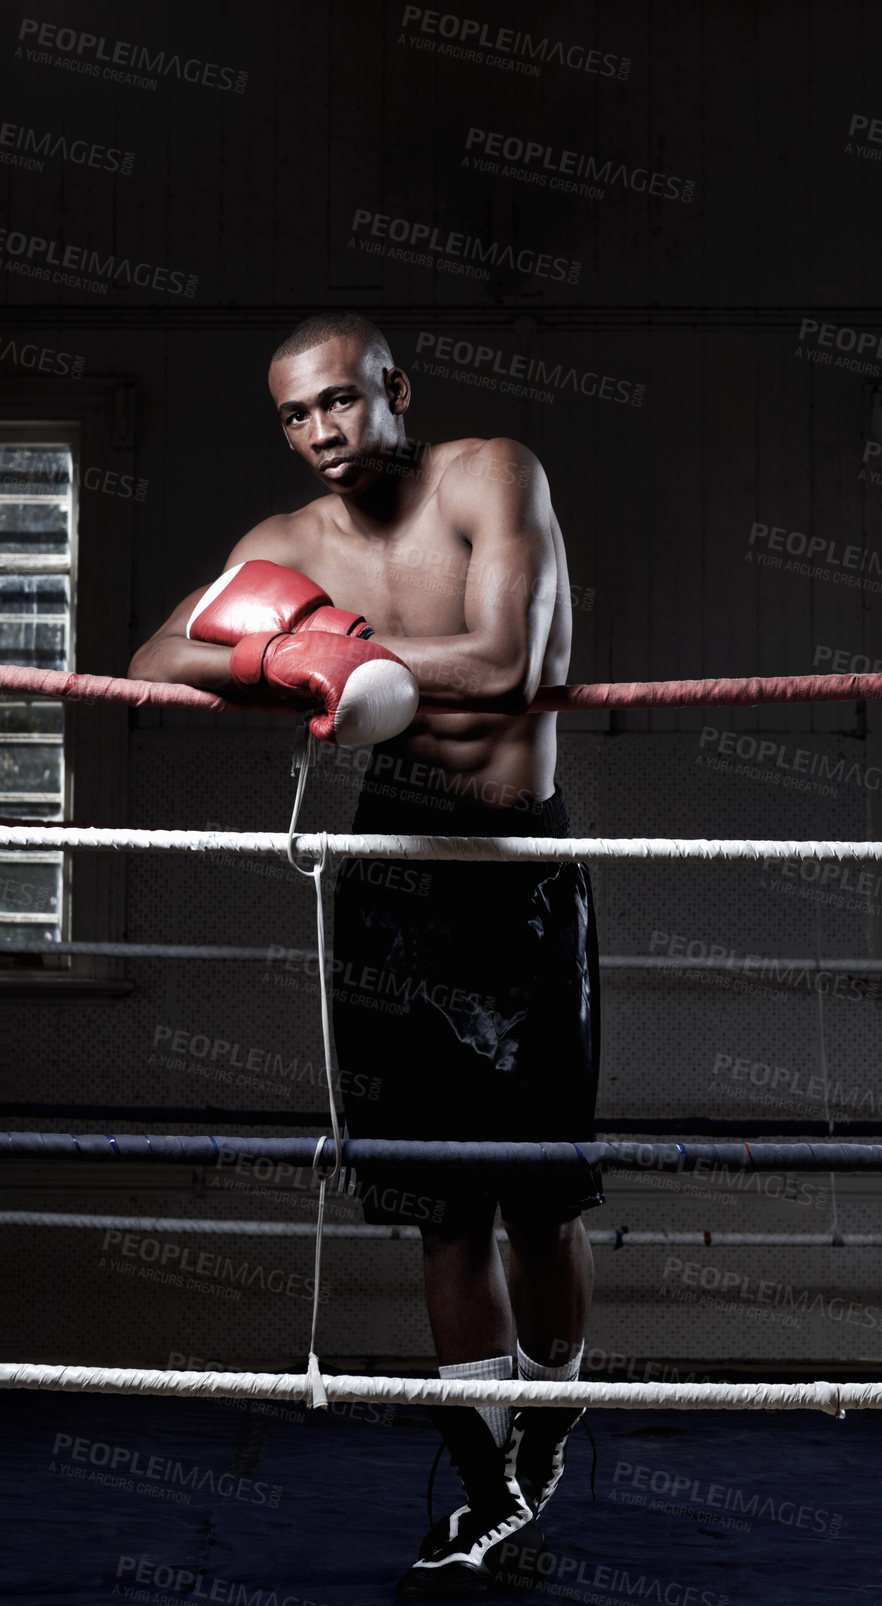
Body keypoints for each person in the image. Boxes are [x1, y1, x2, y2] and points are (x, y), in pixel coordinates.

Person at [128, 311, 603, 1598]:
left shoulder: (487, 475)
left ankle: (548, 1426)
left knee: (541, 1199)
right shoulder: (284, 545)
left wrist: (347, 667)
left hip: (514, 871)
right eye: (294, 415)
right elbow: (156, 655)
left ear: (396, 388)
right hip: (394, 874)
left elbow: (508, 664)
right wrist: (297, 651)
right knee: (434, 1211)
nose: (321, 433)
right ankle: (489, 1489)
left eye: (340, 401)